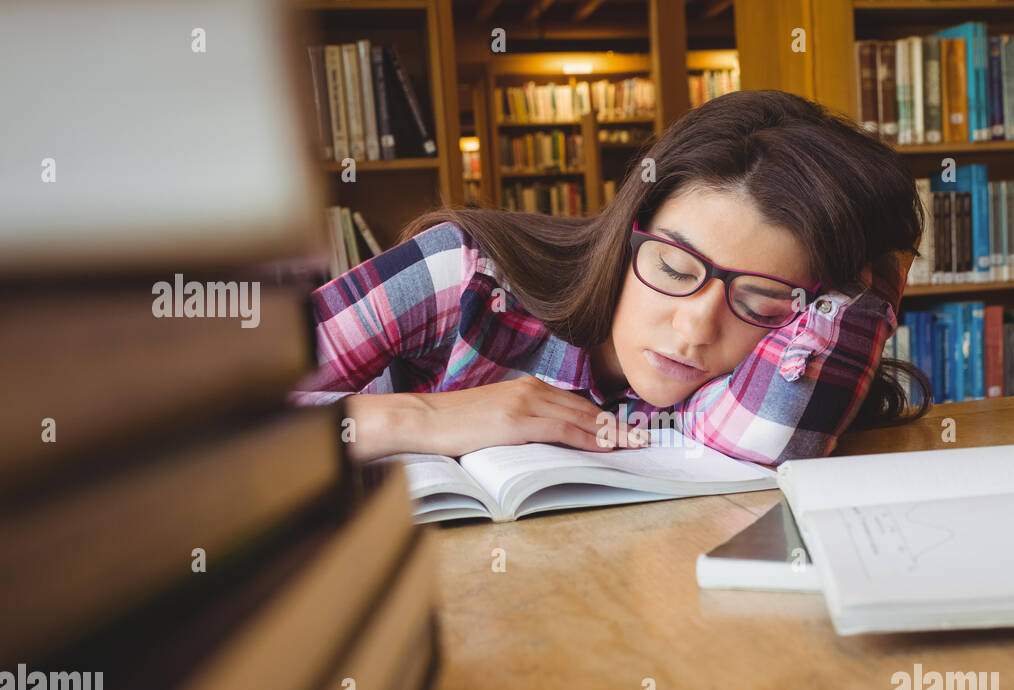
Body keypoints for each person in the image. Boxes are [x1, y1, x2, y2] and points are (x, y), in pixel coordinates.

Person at [289, 89, 932, 465]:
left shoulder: (758, 357)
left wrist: (874, 270)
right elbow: (210, 428)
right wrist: (422, 418)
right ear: (628, 232)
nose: (694, 329)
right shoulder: (460, 273)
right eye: (674, 268)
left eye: (760, 300)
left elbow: (772, 434)